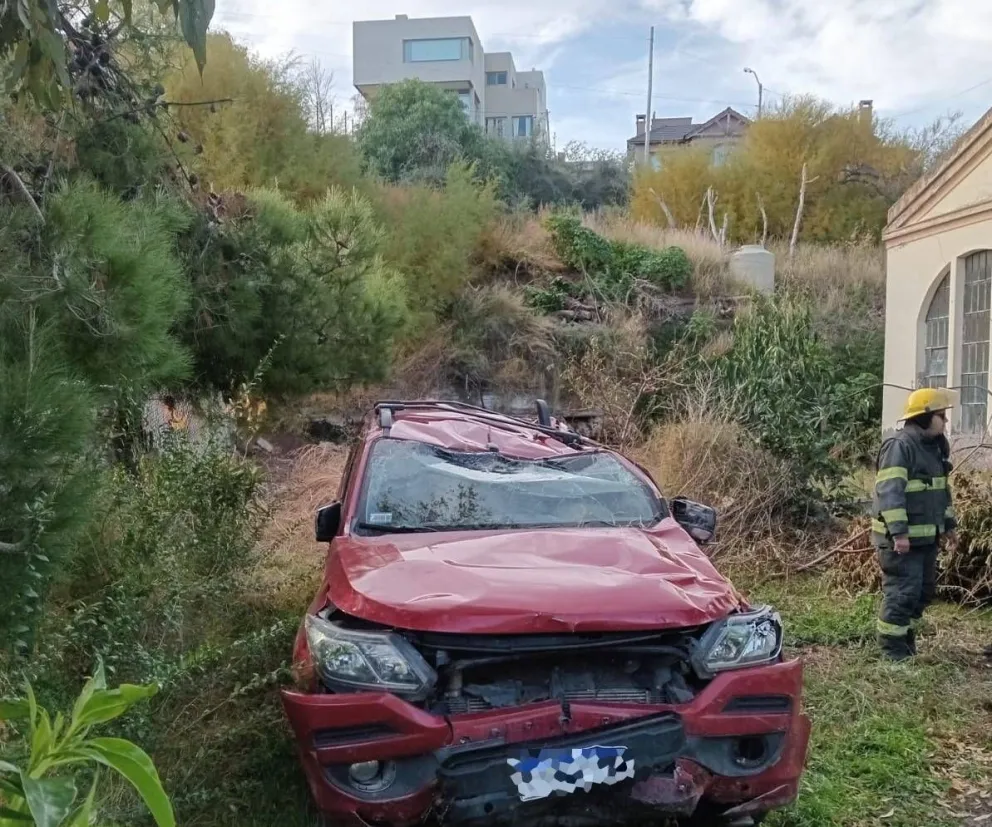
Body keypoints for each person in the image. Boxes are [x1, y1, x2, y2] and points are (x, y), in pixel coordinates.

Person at [872, 388, 958, 661]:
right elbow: (890, 493)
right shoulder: (900, 446)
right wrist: (899, 534)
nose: (945, 421)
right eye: (941, 415)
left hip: (926, 539)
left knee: (922, 593)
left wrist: (949, 525)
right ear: (923, 417)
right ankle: (892, 653)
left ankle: (905, 643)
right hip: (901, 541)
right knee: (902, 594)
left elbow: (940, 491)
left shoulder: (934, 448)